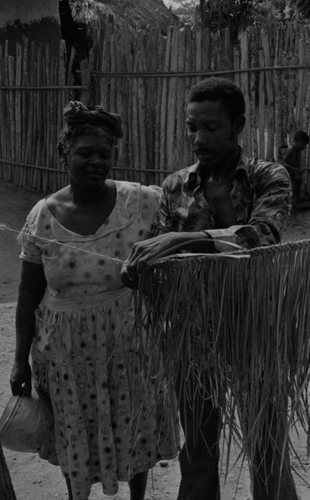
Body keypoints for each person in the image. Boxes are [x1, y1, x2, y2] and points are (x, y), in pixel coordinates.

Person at [123, 77, 298, 500]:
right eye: (191, 127)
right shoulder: (175, 185)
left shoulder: (268, 176)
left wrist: (181, 240)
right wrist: (144, 273)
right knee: (198, 447)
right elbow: (161, 260)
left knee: (266, 441)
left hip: (255, 324)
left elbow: (263, 235)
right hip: (192, 330)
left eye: (210, 127)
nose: (197, 138)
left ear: (237, 125)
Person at [9, 101, 179, 500]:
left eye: (106, 153)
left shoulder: (143, 203)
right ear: (64, 153)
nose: (96, 161)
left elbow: (175, 258)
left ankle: (138, 497)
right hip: (64, 355)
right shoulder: (42, 217)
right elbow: (26, 296)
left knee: (134, 426)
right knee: (73, 432)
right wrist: (18, 359)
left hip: (130, 345)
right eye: (85, 152)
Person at [280, 130, 309, 210]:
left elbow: (295, 163)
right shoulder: (290, 150)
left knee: (294, 193)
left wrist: (298, 170)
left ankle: (294, 205)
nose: (304, 147)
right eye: (303, 144)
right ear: (298, 142)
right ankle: (291, 207)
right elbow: (282, 163)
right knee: (290, 194)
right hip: (288, 177)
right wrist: (296, 169)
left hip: (293, 177)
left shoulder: (296, 151)